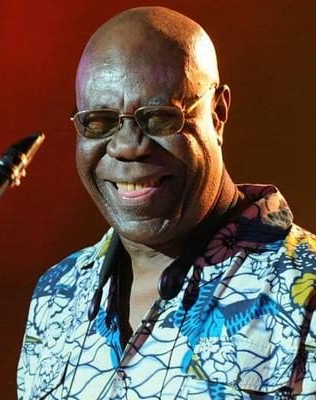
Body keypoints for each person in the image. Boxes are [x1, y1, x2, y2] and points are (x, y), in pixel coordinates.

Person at [17, 6, 316, 399]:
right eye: (100, 122)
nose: (128, 147)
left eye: (159, 118)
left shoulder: (307, 288)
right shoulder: (55, 292)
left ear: (218, 113)